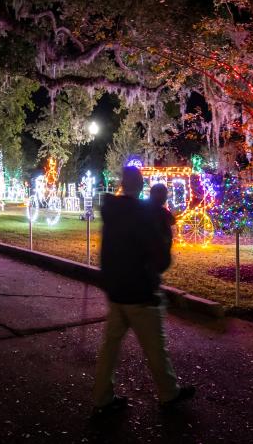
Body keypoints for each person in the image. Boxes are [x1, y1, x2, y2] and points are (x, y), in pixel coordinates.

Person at [92, 167, 195, 415]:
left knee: (110, 347)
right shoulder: (142, 214)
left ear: (122, 184)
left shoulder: (112, 211)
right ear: (140, 185)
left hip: (116, 290)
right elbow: (159, 255)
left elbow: (106, 250)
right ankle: (169, 392)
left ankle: (101, 396)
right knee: (155, 346)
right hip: (140, 290)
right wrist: (158, 266)